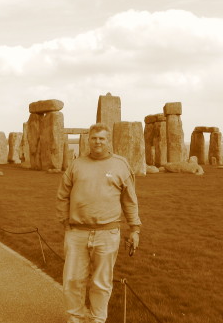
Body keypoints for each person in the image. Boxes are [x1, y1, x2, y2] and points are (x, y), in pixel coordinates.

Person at [56, 123, 142, 323]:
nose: (98, 142)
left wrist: (134, 229)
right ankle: (76, 317)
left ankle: (97, 319)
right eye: (94, 138)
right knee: (72, 279)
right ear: (88, 140)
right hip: (77, 231)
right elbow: (62, 195)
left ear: (108, 140)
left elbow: (130, 200)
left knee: (101, 281)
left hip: (108, 232)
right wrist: (65, 221)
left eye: (102, 138)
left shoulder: (120, 165)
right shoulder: (77, 164)